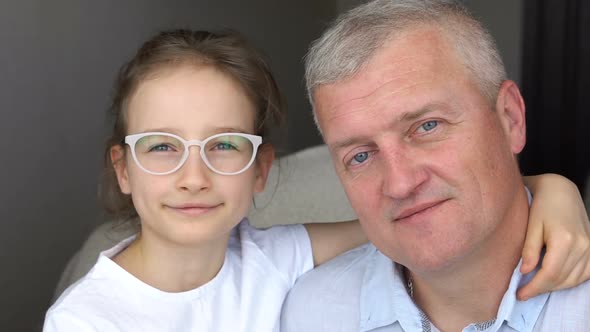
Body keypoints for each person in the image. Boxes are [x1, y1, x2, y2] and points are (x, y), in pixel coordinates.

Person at [43, 28, 587, 332]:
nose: (193, 177)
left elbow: (402, 215)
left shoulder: (275, 262)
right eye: (161, 147)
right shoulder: (85, 320)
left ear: (261, 170)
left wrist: (551, 191)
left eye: (225, 145)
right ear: (123, 168)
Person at [281, 1, 590, 331]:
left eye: (428, 126)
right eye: (360, 155)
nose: (400, 184)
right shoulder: (310, 312)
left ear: (510, 119)